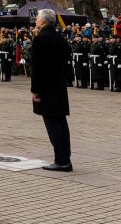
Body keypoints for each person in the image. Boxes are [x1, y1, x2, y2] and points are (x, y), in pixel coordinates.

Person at [31, 9, 72, 172]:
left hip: (46, 88)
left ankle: (61, 161)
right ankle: (64, 158)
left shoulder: (40, 39)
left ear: (42, 22)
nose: (35, 21)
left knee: (53, 126)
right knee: (61, 124)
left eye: (37, 19)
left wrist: (35, 90)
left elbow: (37, 68)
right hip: (59, 86)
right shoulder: (60, 38)